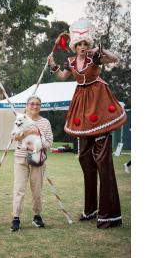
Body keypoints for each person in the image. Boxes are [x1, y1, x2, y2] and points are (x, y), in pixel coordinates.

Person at [48, 18, 127, 229]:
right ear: (75, 46)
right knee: (85, 157)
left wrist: (99, 51)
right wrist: (53, 66)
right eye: (79, 45)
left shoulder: (95, 57)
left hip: (99, 105)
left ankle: (109, 214)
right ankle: (90, 208)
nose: (82, 47)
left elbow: (115, 59)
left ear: (88, 44)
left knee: (102, 160)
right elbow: (64, 76)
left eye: (85, 44)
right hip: (82, 107)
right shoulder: (72, 61)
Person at [10, 95, 53, 232]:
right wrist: (30, 131)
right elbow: (14, 137)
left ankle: (37, 216)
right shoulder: (20, 118)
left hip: (37, 158)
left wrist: (37, 144)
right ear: (27, 105)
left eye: (38, 104)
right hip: (20, 158)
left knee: (37, 190)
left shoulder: (45, 122)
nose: (35, 106)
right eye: (32, 104)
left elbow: (49, 141)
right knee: (19, 189)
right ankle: (16, 218)